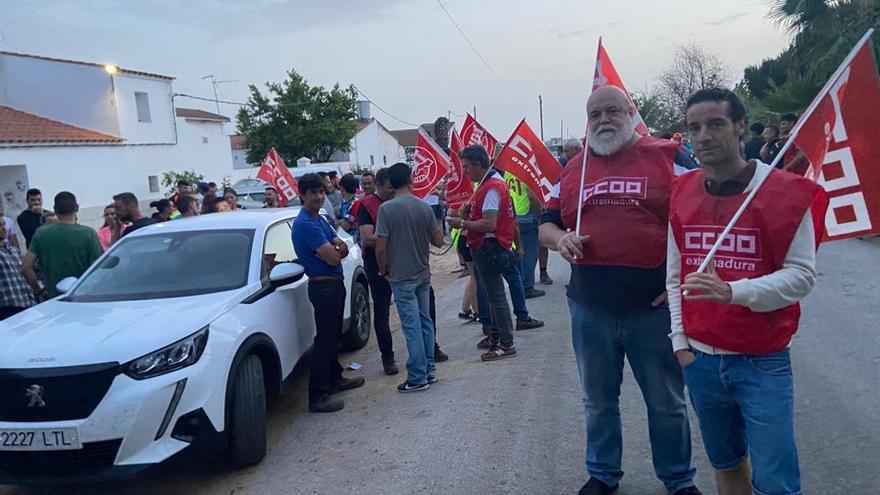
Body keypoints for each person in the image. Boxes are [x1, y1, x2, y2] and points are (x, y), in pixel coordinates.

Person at [538, 86, 699, 495]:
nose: (604, 119)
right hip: (590, 307)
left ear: (631, 112)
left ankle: (679, 480)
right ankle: (603, 474)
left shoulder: (669, 156)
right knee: (598, 401)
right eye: (595, 114)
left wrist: (684, 282)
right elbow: (546, 223)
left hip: (653, 307)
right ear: (587, 121)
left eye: (613, 110)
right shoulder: (575, 167)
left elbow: (704, 218)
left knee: (666, 403)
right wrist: (560, 240)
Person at [669, 88, 827, 495]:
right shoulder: (681, 192)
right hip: (700, 359)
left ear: (740, 126)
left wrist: (733, 292)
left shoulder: (785, 192)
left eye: (716, 124)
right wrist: (679, 343)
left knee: (775, 481)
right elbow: (674, 276)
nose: (703, 136)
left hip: (762, 360)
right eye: (695, 127)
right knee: (727, 464)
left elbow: (801, 276)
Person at [292, 173, 365, 413]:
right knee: (324, 341)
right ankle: (318, 395)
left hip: (333, 283)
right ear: (302, 195)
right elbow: (335, 255)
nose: (319, 196)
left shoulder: (319, 219)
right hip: (323, 286)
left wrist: (336, 249)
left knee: (333, 337)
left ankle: (335, 379)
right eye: (313, 192)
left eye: (321, 192)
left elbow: (340, 243)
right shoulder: (305, 224)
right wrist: (335, 250)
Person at [447, 145, 520, 362]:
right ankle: (497, 337)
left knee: (496, 297)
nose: (465, 172)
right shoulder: (486, 186)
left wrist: (462, 222)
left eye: (468, 167)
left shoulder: (491, 188)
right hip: (489, 248)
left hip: (490, 249)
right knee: (492, 295)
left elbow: (489, 223)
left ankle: (506, 343)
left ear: (479, 165)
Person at [375, 163, 445, 392]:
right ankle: (429, 371)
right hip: (422, 272)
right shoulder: (424, 206)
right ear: (409, 179)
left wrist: (383, 269)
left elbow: (381, 247)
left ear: (390, 184)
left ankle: (417, 377)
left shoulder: (386, 209)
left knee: (412, 326)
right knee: (425, 322)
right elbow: (437, 240)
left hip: (400, 275)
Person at [357, 168, 400, 375]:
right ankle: (387, 358)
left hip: (401, 261)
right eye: (390, 187)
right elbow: (367, 238)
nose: (393, 190)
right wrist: (394, 236)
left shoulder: (398, 201)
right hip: (376, 265)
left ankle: (431, 349)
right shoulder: (366, 205)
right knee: (382, 312)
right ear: (380, 184)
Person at [21, 192, 103, 299]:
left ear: (55, 210)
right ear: (77, 208)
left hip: (54, 298)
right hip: (84, 296)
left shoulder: (41, 233)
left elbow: (26, 268)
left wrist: (39, 291)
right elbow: (100, 267)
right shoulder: (88, 233)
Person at [504, 172, 545, 299]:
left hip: (516, 215)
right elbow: (532, 196)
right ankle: (527, 286)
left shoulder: (508, 173)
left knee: (519, 251)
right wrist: (541, 215)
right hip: (528, 216)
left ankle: (519, 284)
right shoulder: (527, 172)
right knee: (530, 254)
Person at [0, 217, 36, 319]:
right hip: (7, 306)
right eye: (0, 226)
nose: (4, 229)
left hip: (26, 302)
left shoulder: (14, 250)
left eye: (4, 225)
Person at [337, 174, 359, 239]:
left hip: (353, 242)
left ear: (342, 188)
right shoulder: (345, 203)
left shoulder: (354, 204)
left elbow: (345, 227)